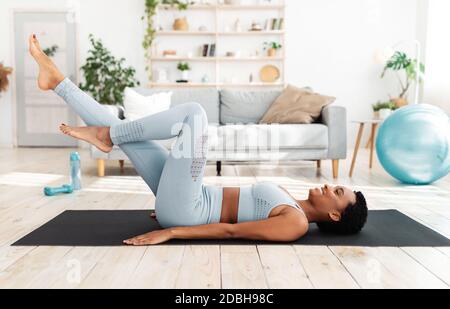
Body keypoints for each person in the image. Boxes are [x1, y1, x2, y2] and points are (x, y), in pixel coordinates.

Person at [29, 34, 368, 246]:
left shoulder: (295, 224)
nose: (329, 187)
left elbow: (231, 232)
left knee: (194, 114)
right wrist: (173, 197)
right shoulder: (294, 204)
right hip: (187, 199)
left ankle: (107, 134)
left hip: (187, 211)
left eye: (336, 193)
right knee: (128, 136)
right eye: (335, 186)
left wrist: (172, 230)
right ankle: (58, 82)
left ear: (336, 216)